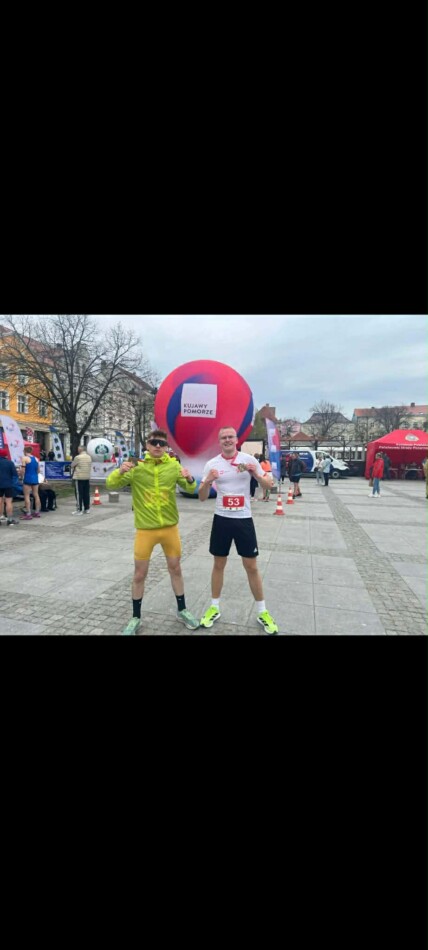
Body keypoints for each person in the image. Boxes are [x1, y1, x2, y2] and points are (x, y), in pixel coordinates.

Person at [106, 429, 200, 635]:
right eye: (154, 442)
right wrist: (119, 471)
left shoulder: (174, 466)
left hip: (169, 528)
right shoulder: (137, 467)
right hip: (145, 530)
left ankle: (182, 610)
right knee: (139, 574)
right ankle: (135, 618)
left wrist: (190, 479)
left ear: (166, 447)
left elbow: (190, 488)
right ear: (147, 445)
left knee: (175, 569)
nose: (158, 446)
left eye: (162, 443)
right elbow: (110, 484)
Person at [198, 426, 279, 635]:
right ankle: (214, 607)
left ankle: (262, 611)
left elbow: (269, 486)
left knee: (251, 566)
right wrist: (208, 481)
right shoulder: (212, 464)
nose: (227, 440)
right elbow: (202, 497)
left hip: (243, 519)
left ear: (236, 439)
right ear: (219, 441)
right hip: (222, 519)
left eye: (230, 437)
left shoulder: (249, 460)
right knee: (218, 564)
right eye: (223, 437)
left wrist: (256, 474)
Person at [20, 447, 41, 520]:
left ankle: (28, 513)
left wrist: (21, 476)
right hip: (35, 478)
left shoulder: (24, 458)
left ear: (25, 451)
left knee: (27, 496)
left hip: (28, 478)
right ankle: (37, 512)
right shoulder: (36, 459)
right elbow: (38, 470)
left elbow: (23, 470)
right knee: (36, 495)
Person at [0, 448, 20, 526]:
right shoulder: (10, 463)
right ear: (6, 455)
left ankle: (0, 518)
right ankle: (10, 520)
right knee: (8, 502)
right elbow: (15, 475)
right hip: (8, 484)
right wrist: (13, 484)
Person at [71, 445, 92, 515]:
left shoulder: (78, 457)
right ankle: (87, 508)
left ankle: (79, 509)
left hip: (79, 477)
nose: (77, 450)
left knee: (79, 494)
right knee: (86, 494)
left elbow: (72, 465)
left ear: (80, 450)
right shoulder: (89, 457)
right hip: (87, 477)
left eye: (78, 449)